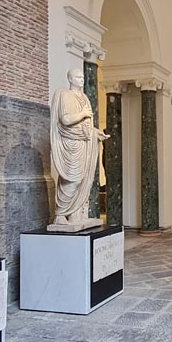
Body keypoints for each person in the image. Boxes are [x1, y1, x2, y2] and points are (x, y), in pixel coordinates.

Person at [50, 69, 108, 227]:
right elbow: (66, 119)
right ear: (70, 78)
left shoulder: (85, 98)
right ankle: (60, 214)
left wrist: (96, 133)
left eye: (82, 77)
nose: (81, 80)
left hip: (84, 142)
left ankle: (76, 215)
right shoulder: (64, 94)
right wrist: (82, 113)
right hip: (71, 143)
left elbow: (86, 125)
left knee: (83, 180)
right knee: (72, 179)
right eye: (78, 77)